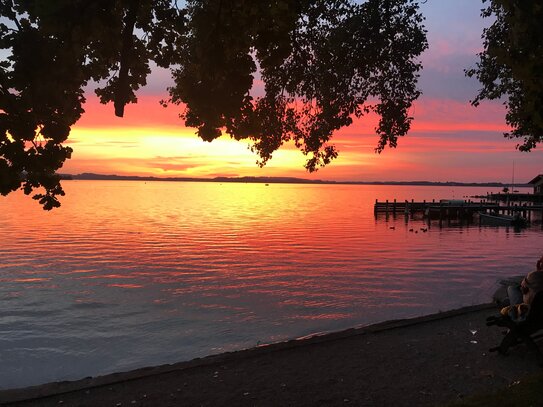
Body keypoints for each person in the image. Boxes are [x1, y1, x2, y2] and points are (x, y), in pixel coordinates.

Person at [502, 255, 543, 321]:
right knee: (507, 299)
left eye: (541, 260)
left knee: (511, 289)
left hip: (530, 308)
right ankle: (508, 304)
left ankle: (517, 316)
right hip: (537, 304)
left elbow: (522, 285)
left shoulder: (534, 275)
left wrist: (538, 270)